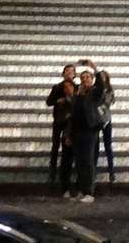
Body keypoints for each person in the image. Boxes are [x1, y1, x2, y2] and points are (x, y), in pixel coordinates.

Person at [63, 69, 105, 202]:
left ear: (92, 79)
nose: (85, 79)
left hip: (90, 132)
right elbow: (73, 117)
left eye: (88, 77)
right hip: (77, 132)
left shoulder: (94, 94)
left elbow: (101, 86)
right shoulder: (77, 96)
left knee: (88, 162)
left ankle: (89, 192)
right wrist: (68, 135)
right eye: (83, 77)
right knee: (79, 163)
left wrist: (95, 70)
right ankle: (81, 190)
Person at [45, 64, 76, 185]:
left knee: (67, 146)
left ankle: (65, 171)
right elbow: (49, 102)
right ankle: (52, 171)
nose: (69, 73)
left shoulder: (77, 87)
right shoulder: (57, 87)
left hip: (70, 121)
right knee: (55, 145)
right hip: (58, 119)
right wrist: (58, 101)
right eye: (67, 71)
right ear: (63, 73)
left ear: (74, 74)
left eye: (71, 71)